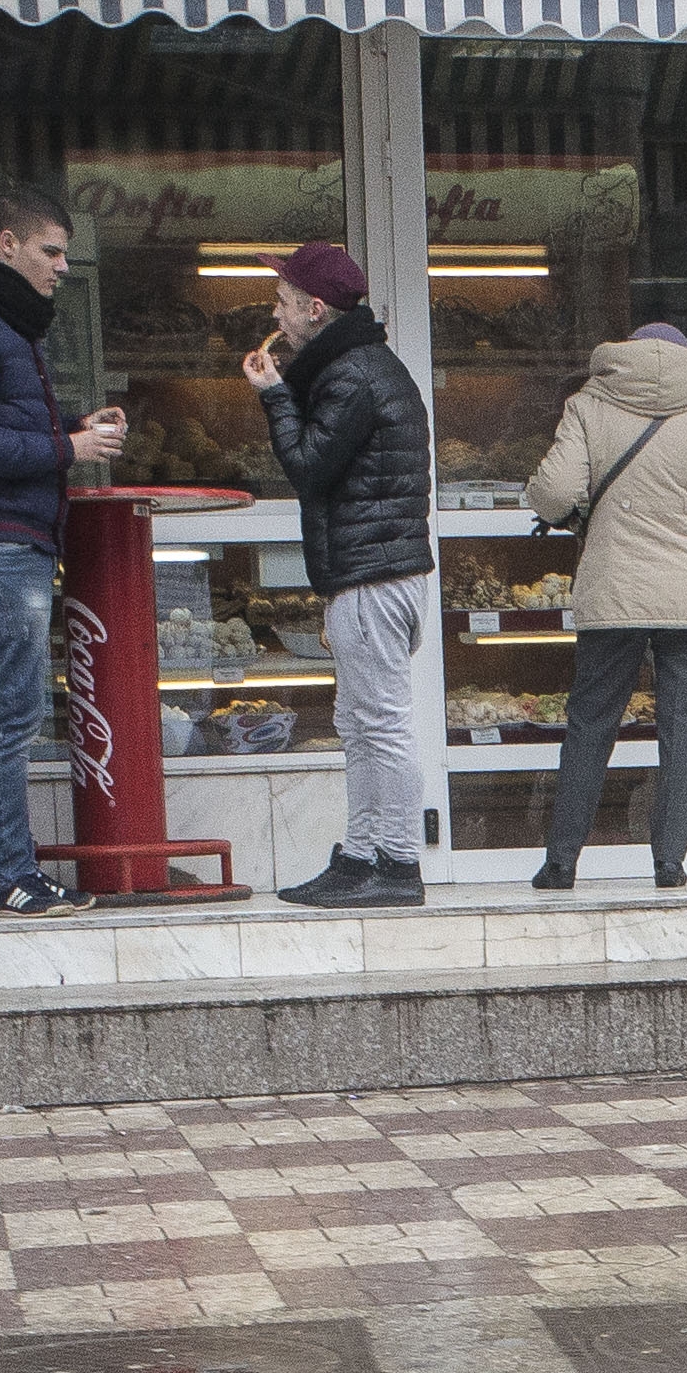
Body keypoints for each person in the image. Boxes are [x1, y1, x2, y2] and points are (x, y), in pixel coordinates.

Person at [0, 188, 123, 920]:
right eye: (51, 251)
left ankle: (15, 873)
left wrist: (70, 424)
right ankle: (14, 876)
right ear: (6, 243)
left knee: (9, 710)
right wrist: (69, 446)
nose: (64, 267)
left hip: (11, 539)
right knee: (8, 715)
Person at [521, 320, 687, 890]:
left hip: (613, 591)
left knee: (592, 723)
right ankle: (670, 863)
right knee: (683, 728)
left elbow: (552, 493)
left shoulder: (589, 407)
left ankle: (562, 864)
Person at [243, 240, 433, 909]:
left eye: (284, 302)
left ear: (315, 308)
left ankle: (399, 863)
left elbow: (308, 466)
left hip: (373, 575)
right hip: (371, 570)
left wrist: (273, 397)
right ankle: (360, 856)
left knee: (379, 725)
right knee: (357, 724)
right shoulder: (355, 365)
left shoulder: (356, 373)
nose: (277, 312)